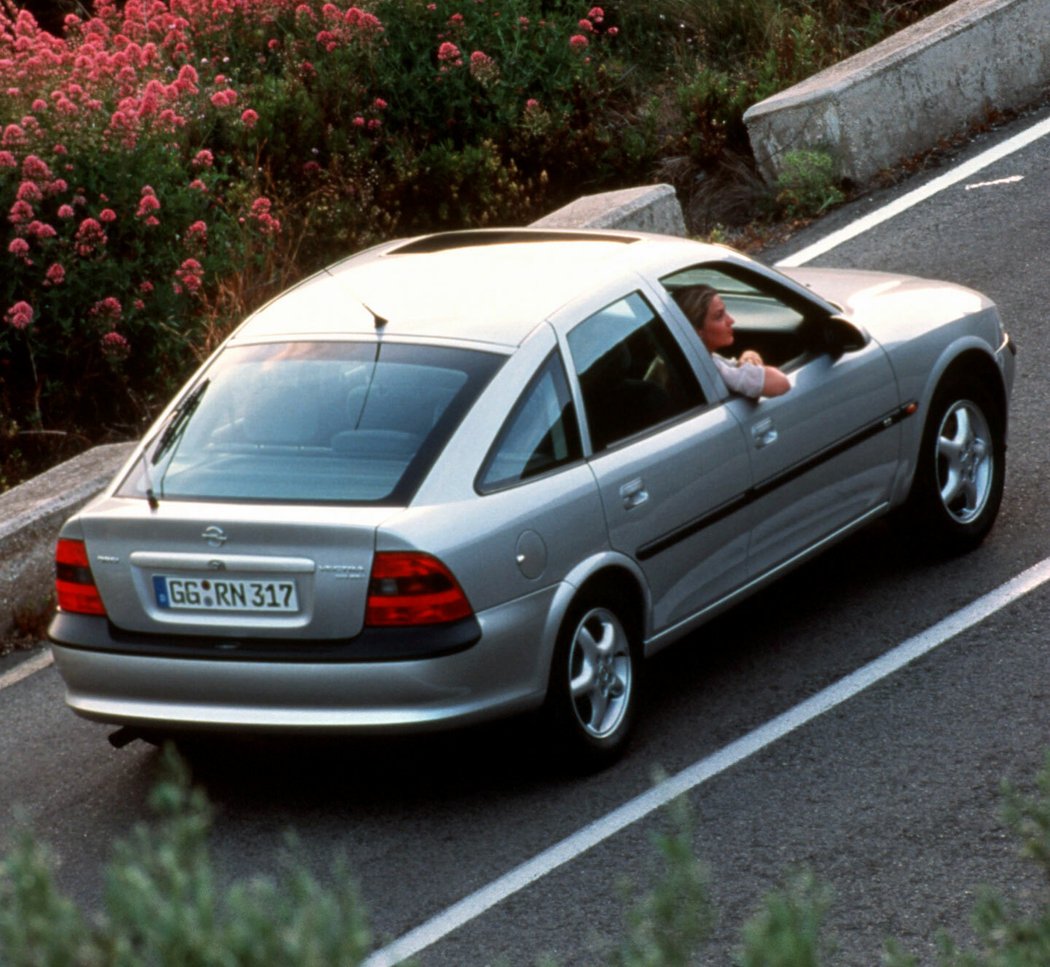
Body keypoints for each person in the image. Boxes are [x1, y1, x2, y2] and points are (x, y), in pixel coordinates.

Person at [674, 285, 790, 399]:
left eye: (725, 312)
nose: (731, 320)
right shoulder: (710, 369)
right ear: (697, 331)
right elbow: (781, 383)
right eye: (719, 316)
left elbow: (732, 366)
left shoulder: (692, 359)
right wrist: (750, 364)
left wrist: (749, 356)